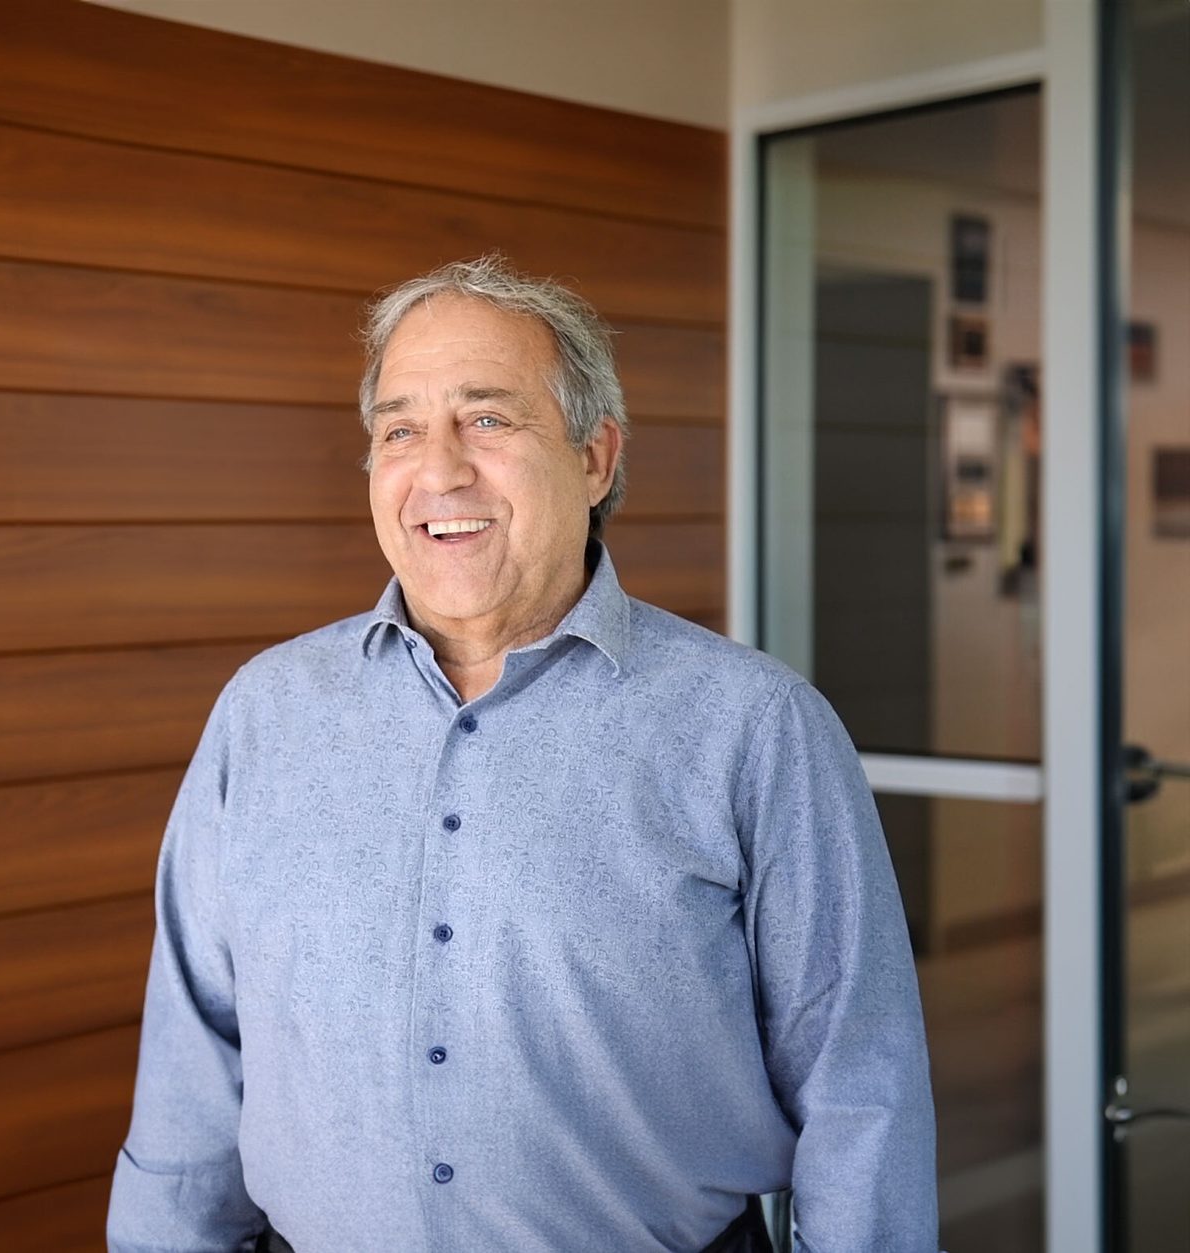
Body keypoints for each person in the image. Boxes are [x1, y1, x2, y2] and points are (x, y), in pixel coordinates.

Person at [106, 255, 936, 1252]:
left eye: (489, 419)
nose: (440, 469)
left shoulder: (753, 728)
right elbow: (192, 1072)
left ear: (596, 459)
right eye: (401, 428)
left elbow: (861, 1087)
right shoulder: (265, 715)